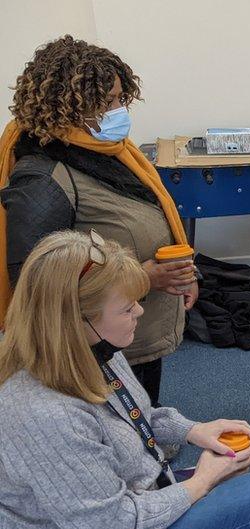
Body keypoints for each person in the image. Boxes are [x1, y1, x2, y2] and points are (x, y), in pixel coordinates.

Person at [0, 230, 250, 529]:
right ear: (75, 321)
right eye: (128, 308)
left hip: (142, 494)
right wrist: (200, 483)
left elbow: (137, 417)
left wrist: (194, 430)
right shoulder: (42, 414)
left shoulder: (92, 348)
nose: (140, 311)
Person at [0, 35, 196, 407]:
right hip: (91, 346)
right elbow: (36, 281)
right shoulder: (42, 178)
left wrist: (184, 274)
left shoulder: (109, 151)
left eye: (121, 99)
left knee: (142, 419)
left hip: (134, 329)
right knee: (113, 436)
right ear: (66, 108)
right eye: (107, 103)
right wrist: (146, 277)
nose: (119, 111)